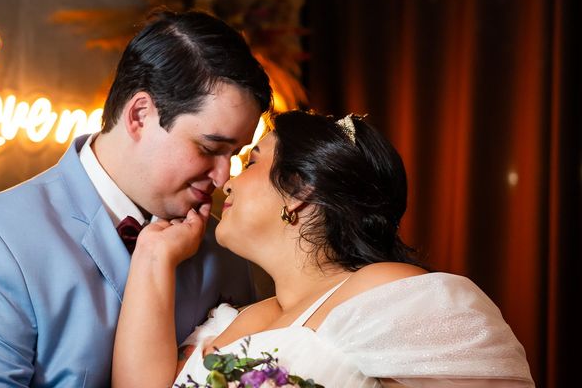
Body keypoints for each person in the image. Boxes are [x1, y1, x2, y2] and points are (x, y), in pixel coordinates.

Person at [0, 10, 272, 387]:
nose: (222, 175)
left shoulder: (224, 247)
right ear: (139, 115)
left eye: (236, 154)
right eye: (210, 147)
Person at [113, 110, 535, 388]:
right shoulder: (243, 319)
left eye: (251, 162)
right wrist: (154, 256)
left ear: (299, 189)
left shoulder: (389, 291)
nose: (227, 182)